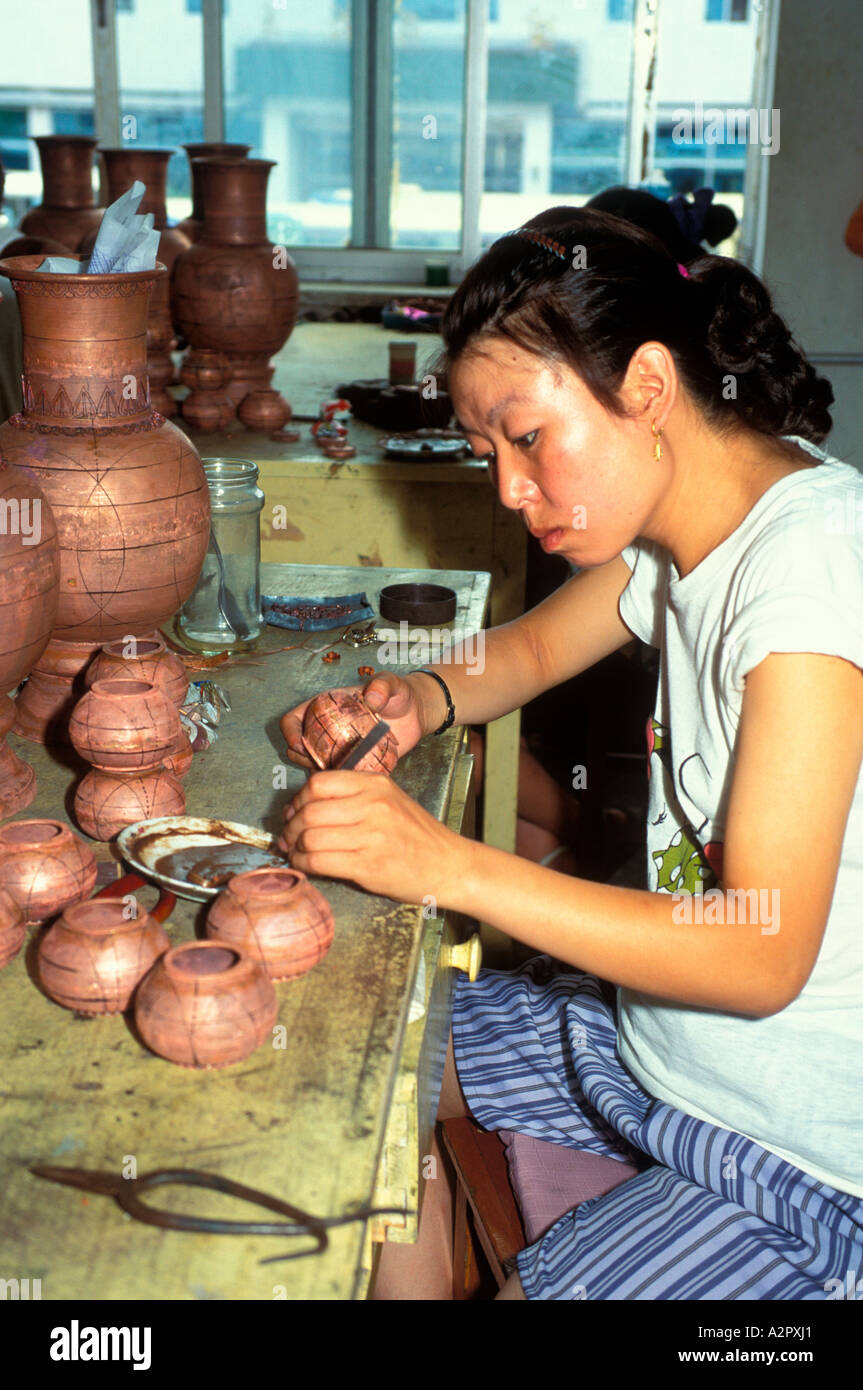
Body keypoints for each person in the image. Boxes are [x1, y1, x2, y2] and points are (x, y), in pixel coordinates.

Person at [278, 206, 863, 1301]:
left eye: (525, 435)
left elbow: (759, 952)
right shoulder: (686, 528)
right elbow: (534, 645)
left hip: (805, 1158)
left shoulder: (809, 572)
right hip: (660, 1058)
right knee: (364, 1064)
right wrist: (416, 696)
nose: (505, 485)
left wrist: (443, 864)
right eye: (485, 451)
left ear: (645, 387)